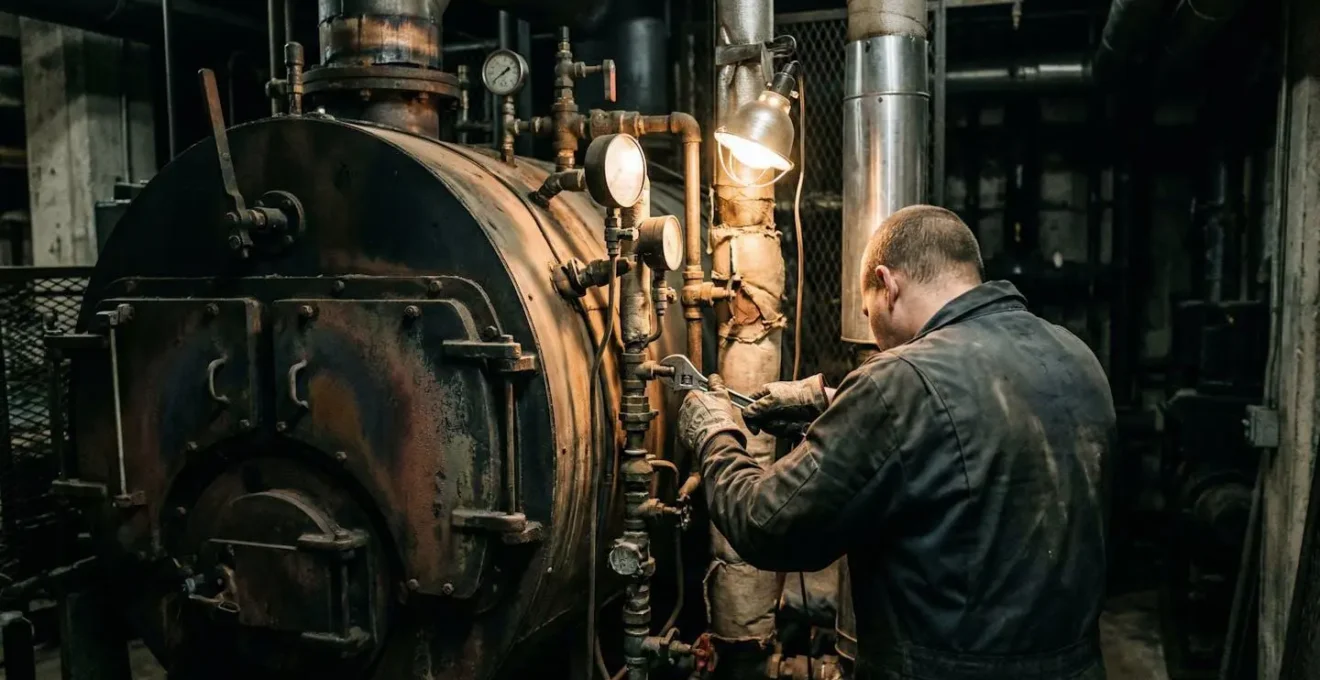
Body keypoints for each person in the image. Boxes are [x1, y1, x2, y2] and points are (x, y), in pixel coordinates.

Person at [678, 205, 1113, 680]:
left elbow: (767, 524)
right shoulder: (1076, 356)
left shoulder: (898, 380)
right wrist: (834, 404)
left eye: (868, 313)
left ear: (887, 285)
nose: (874, 332)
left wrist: (716, 435)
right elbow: (981, 425)